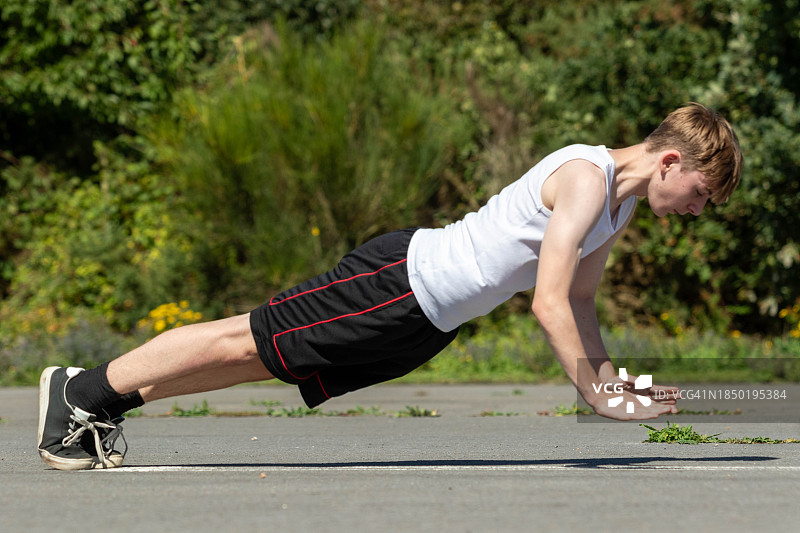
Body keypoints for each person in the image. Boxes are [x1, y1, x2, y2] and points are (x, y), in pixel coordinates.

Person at [37, 103, 743, 470]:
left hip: (421, 323)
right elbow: (549, 300)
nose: (697, 209)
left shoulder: (615, 209)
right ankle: (83, 392)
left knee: (264, 360)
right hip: (400, 281)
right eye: (701, 193)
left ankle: (102, 401)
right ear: (672, 160)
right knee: (246, 333)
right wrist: (598, 396)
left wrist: (614, 385)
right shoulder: (588, 178)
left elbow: (582, 302)